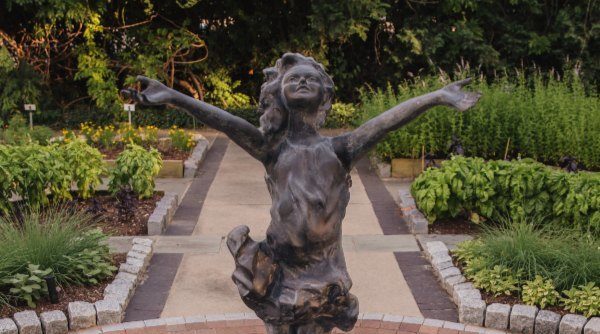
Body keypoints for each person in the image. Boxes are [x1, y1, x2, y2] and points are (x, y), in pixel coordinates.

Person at [121, 53, 480, 334]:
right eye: (294, 78)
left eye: (310, 78)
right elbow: (226, 122)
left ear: (324, 95)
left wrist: (435, 97)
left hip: (323, 269)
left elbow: (385, 122)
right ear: (280, 94)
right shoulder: (272, 149)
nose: (303, 81)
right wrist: (173, 97)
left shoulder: (341, 150)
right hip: (278, 269)